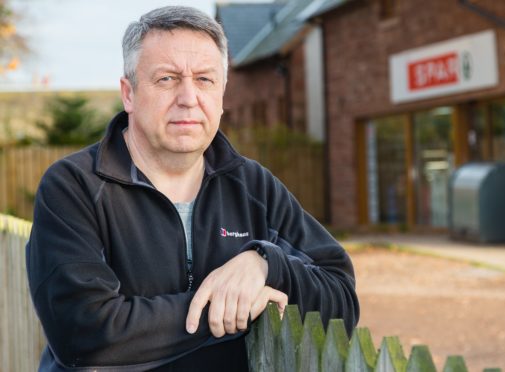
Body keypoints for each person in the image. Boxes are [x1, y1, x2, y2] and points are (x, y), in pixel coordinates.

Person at [26, 6, 359, 371]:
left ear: (222, 96)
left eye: (204, 79)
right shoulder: (74, 187)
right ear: (129, 94)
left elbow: (340, 300)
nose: (188, 97)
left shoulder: (253, 187)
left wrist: (264, 264)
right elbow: (83, 334)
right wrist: (232, 306)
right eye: (167, 79)